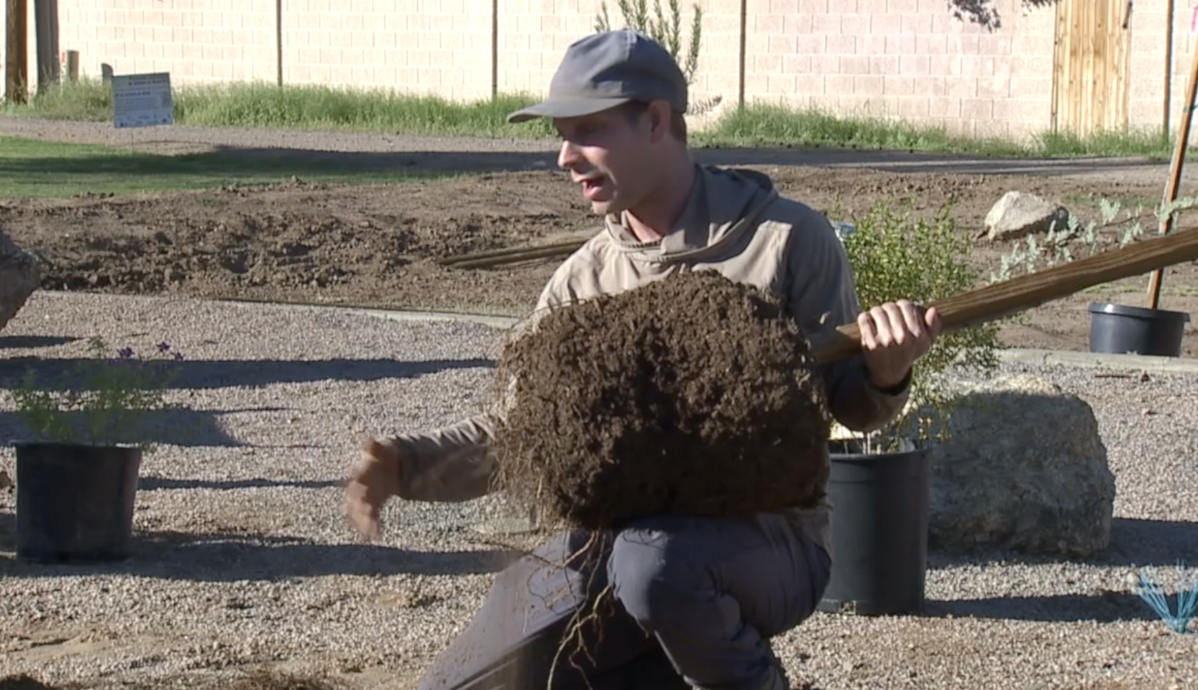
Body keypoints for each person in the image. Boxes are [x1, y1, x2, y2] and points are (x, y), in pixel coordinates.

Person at [345, 29, 942, 690]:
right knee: (475, 679)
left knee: (651, 566)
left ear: (655, 121)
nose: (565, 157)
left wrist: (888, 368)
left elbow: (849, 402)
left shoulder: (785, 241)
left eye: (586, 132)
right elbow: (520, 436)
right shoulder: (583, 285)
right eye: (560, 136)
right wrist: (408, 464)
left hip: (770, 540)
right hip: (616, 546)